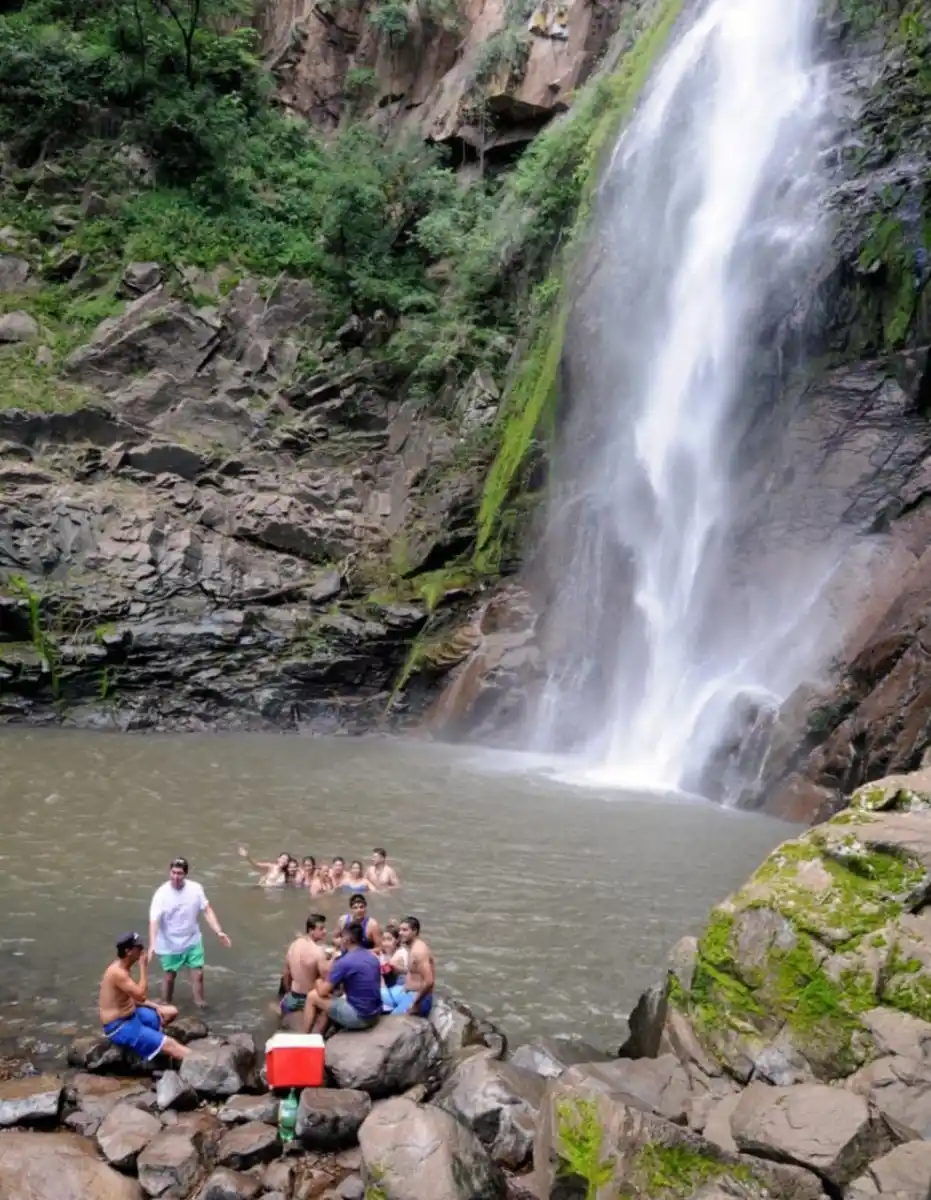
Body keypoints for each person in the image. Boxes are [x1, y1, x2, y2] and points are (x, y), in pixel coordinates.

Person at [148, 857, 230, 1008]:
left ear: (185, 874)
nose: (176, 877)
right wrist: (152, 944)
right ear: (169, 872)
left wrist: (219, 931)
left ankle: (200, 1003)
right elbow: (154, 920)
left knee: (198, 973)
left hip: (192, 939)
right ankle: (165, 1004)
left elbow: (206, 910)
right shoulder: (161, 894)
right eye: (173, 872)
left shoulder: (195, 889)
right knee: (169, 976)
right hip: (169, 942)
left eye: (179, 873)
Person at [99, 932, 189, 1062]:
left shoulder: (123, 967)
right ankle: (204, 1063)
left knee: (170, 1012)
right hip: (119, 1026)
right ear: (128, 951)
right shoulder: (117, 973)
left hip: (132, 1014)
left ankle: (150, 1042)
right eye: (139, 948)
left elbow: (132, 998)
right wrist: (143, 966)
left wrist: (156, 1006)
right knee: (171, 1045)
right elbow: (141, 995)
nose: (142, 951)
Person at [302, 922, 382, 1034]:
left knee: (312, 996)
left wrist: (317, 981)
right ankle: (321, 1035)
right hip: (376, 1013)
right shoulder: (372, 957)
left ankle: (303, 1037)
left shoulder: (345, 962)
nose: (340, 940)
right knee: (333, 998)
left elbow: (322, 992)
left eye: (342, 937)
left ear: (347, 940)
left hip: (361, 1018)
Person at [280, 913, 330, 1019]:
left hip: (292, 998)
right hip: (307, 1000)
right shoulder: (318, 951)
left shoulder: (293, 945)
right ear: (311, 930)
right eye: (321, 929)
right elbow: (327, 981)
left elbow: (286, 973)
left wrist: (288, 992)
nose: (325, 931)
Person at [393, 917, 435, 1017]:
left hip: (417, 999)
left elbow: (429, 981)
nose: (400, 933)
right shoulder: (410, 946)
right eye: (400, 930)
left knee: (389, 1022)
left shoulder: (419, 951)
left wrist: (415, 1004)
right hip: (405, 992)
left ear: (415, 931)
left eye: (405, 930)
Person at [378, 924, 409, 1012]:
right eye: (383, 940)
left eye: (389, 939)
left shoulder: (401, 953)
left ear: (397, 940)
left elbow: (408, 970)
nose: (386, 943)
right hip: (390, 987)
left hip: (400, 989)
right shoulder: (383, 953)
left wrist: (394, 966)